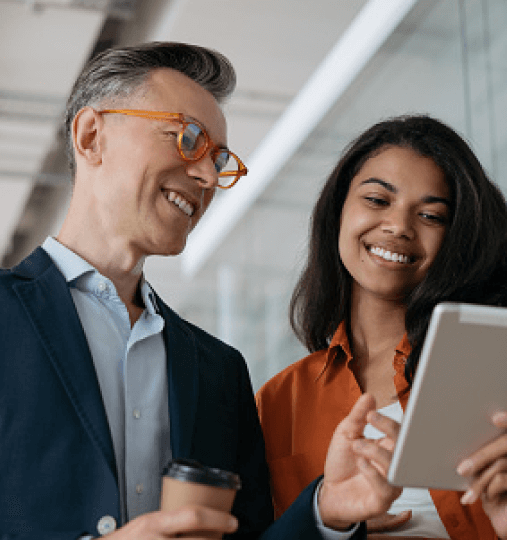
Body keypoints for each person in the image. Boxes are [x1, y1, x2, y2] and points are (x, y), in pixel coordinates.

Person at [0, 42, 396, 540]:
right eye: (187, 138)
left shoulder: (219, 373)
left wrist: (327, 511)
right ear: (91, 135)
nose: (208, 176)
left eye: (219, 159)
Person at [256, 115, 507, 539]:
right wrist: (331, 521)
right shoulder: (280, 400)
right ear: (337, 212)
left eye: (430, 215)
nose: (399, 227)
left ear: (457, 239)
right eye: (376, 200)